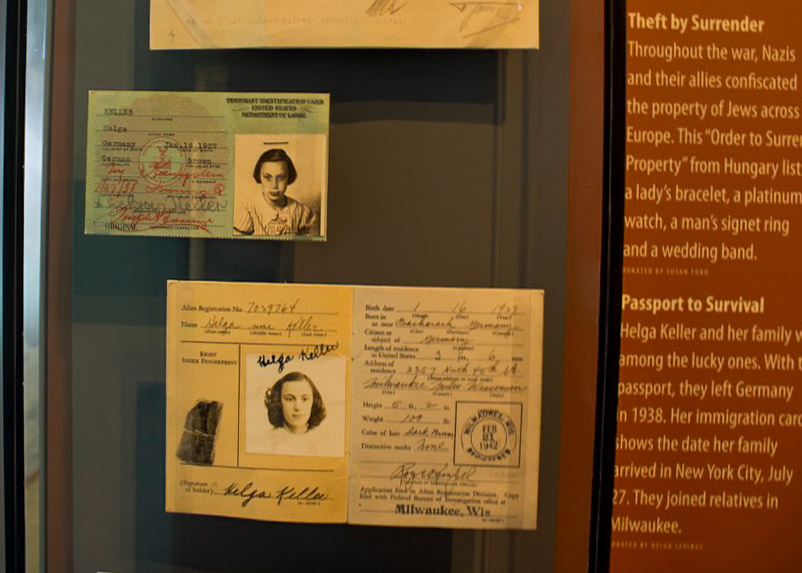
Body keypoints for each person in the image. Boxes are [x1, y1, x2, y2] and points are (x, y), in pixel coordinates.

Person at [233, 148, 317, 236]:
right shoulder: (247, 210)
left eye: (281, 178)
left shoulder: (302, 212)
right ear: (259, 176)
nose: (274, 185)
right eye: (267, 177)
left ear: (289, 177)